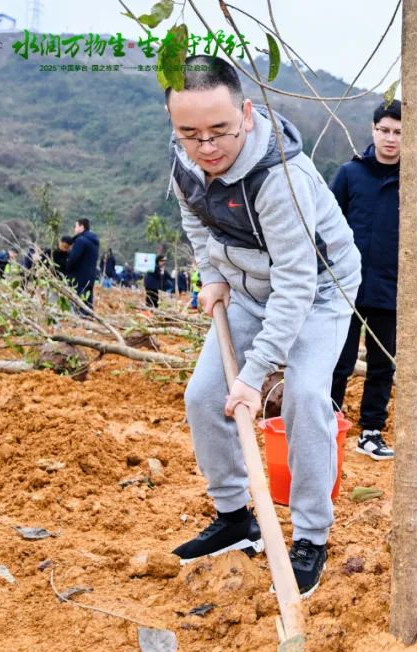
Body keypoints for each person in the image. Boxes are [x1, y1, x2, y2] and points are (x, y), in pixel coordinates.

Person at [166, 54, 361, 597]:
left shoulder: (283, 178)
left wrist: (253, 377)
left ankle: (311, 538)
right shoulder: (184, 162)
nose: (206, 147)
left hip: (319, 290)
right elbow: (194, 219)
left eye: (220, 131)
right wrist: (211, 274)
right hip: (247, 287)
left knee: (303, 395)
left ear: (247, 115)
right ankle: (235, 520)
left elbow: (298, 286)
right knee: (203, 396)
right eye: (190, 134)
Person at [328, 100, 401, 461]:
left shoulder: (413, 181)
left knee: (382, 363)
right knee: (338, 359)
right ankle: (330, 421)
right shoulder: (349, 175)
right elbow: (325, 223)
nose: (391, 138)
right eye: (385, 130)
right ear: (373, 130)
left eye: (399, 132)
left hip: (390, 288)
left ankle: (371, 431)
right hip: (346, 286)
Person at [66, 219, 100, 314]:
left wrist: (67, 269)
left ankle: (80, 321)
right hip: (90, 276)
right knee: (88, 301)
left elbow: (73, 259)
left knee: (78, 302)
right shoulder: (94, 241)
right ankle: (88, 319)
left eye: (76, 226)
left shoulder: (81, 241)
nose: (74, 229)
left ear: (82, 227)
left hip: (79, 277)